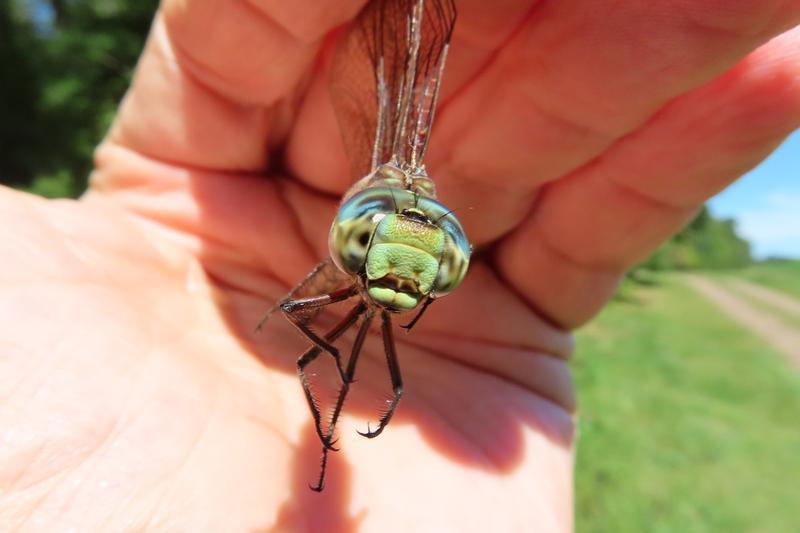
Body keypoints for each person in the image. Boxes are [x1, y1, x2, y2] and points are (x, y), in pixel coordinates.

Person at [1, 1, 798, 530]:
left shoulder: (383, 266)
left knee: (335, 343)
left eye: (436, 270)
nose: (405, 279)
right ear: (352, 237)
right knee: (328, 341)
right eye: (375, 255)